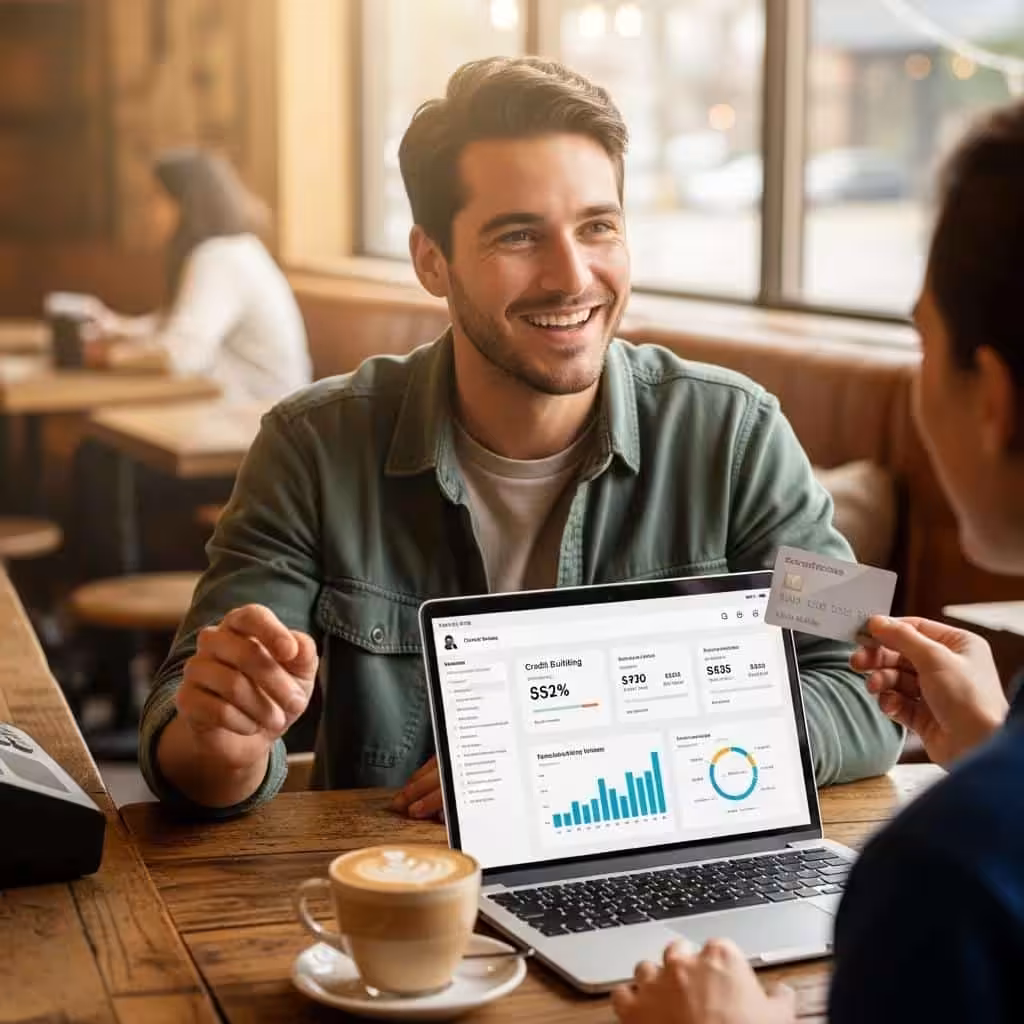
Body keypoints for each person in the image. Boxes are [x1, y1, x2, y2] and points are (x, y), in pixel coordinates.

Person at [138, 57, 899, 819]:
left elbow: (869, 691)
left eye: (598, 227)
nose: (572, 277)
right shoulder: (309, 445)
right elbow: (188, 733)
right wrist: (224, 747)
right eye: (518, 236)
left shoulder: (740, 432)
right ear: (432, 261)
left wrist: (608, 756)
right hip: (399, 900)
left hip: (675, 899)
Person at [612, 100, 1024, 1024]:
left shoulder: (939, 874)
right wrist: (996, 755)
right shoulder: (319, 438)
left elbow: (843, 653)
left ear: (990, 397)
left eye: (921, 342)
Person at [84, 147, 311, 402]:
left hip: (259, 419)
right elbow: (177, 328)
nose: (148, 211)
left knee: (100, 440)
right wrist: (117, 327)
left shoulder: (218, 257)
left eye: (156, 197)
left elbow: (181, 355)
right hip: (256, 411)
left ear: (185, 203)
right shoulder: (233, 249)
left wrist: (103, 357)